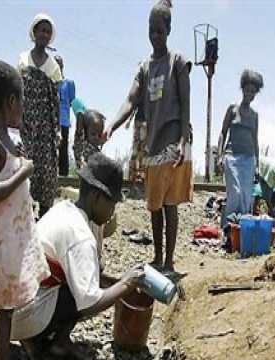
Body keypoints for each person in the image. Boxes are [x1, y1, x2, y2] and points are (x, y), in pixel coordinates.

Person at [10, 153, 144, 360]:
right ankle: (42, 338)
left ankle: (44, 338)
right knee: (79, 294)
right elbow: (89, 304)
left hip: (15, 304)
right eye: (112, 203)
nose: (112, 212)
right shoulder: (81, 237)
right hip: (22, 316)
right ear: (97, 197)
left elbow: (85, 272)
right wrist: (126, 285)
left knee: (80, 281)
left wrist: (115, 279)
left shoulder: (64, 209)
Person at [0, 60, 50, 360]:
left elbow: (11, 169)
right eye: (21, 100)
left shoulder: (10, 138)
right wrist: (26, 172)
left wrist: (21, 162)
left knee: (13, 302)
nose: (23, 107)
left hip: (16, 236)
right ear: (11, 101)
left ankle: (9, 359)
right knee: (5, 310)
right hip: (3, 241)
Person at [107, 0, 193, 274]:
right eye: (151, 31)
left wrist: (182, 140)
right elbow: (131, 99)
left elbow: (185, 103)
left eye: (159, 31)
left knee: (168, 203)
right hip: (153, 143)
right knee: (154, 204)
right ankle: (157, 258)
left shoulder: (177, 62)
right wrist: (112, 124)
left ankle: (168, 262)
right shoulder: (145, 67)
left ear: (168, 30)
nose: (155, 36)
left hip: (173, 141)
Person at [18, 13, 62, 219]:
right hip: (26, 121)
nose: (44, 34)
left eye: (47, 31)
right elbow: (17, 91)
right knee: (23, 162)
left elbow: (56, 100)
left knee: (45, 168)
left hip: (45, 123)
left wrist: (57, 130)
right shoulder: (23, 59)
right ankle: (23, 216)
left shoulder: (53, 66)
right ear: (34, 33)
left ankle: (44, 218)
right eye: (41, 30)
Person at [217, 69, 264, 227]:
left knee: (246, 197)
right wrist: (219, 156)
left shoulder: (254, 115)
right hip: (232, 157)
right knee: (235, 193)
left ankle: (241, 231)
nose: (249, 94)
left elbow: (255, 140)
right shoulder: (232, 109)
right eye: (247, 90)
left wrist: (257, 165)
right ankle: (227, 229)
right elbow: (223, 133)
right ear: (242, 89)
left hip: (249, 159)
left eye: (253, 92)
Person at [54, 55, 75, 177]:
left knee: (63, 150)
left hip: (63, 121)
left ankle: (63, 177)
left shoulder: (69, 83)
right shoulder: (50, 83)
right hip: (51, 120)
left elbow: (72, 101)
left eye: (59, 64)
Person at [126, 100, 147, 184]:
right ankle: (133, 175)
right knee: (136, 149)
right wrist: (129, 121)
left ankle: (142, 175)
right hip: (138, 121)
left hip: (146, 122)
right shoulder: (141, 91)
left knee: (144, 149)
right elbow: (134, 107)